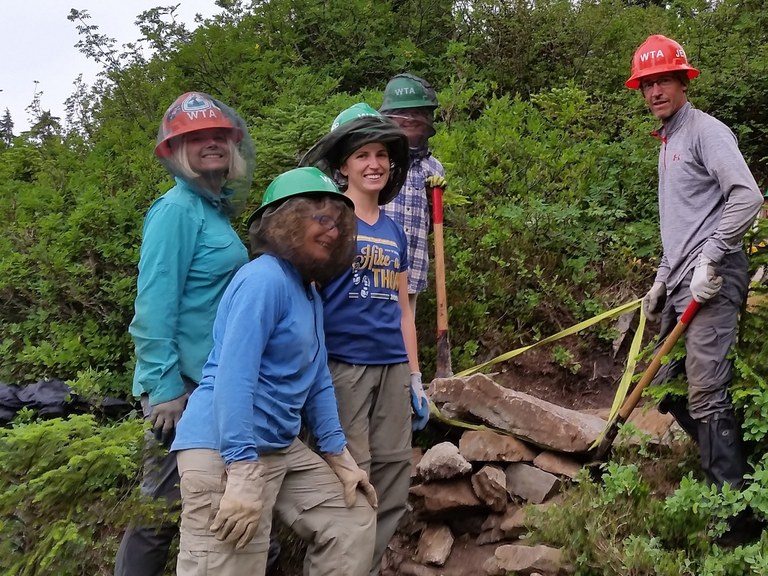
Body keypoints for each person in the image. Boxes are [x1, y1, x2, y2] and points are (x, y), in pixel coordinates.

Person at [171, 166, 378, 575]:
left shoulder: (308, 291)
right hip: (224, 448)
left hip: (277, 445)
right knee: (234, 563)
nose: (332, 232)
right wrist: (241, 469)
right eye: (320, 220)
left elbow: (317, 379)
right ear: (286, 223)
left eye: (337, 224)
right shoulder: (263, 280)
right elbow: (234, 376)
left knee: (350, 519)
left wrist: (339, 456)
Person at [627, 35, 763, 543]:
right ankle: (739, 466)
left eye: (664, 80)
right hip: (682, 280)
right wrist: (661, 281)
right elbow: (680, 227)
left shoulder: (707, 131)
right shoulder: (668, 142)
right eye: (647, 84)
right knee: (666, 384)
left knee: (705, 389)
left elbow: (747, 196)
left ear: (684, 81)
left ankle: (736, 521)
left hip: (715, 278)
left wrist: (711, 256)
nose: (655, 91)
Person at [115, 92, 255, 576]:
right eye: (196, 138)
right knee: (159, 510)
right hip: (182, 389)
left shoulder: (212, 209)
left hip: (211, 383)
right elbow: (154, 306)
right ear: (176, 151)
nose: (210, 143)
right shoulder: (176, 210)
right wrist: (165, 387)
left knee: (201, 501)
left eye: (218, 135)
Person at [300, 105, 428, 575]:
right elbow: (307, 300)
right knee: (350, 478)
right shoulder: (327, 223)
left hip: (392, 367)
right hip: (343, 367)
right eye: (362, 156)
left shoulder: (394, 230)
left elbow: (403, 309)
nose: (374, 164)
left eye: (381, 155)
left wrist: (415, 376)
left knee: (393, 476)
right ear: (344, 166)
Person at [379, 73, 447, 315]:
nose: (410, 119)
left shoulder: (434, 168)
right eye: (403, 114)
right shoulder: (379, 161)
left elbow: (431, 224)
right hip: (376, 267)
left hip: (414, 267)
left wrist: (434, 198)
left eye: (417, 113)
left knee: (406, 327)